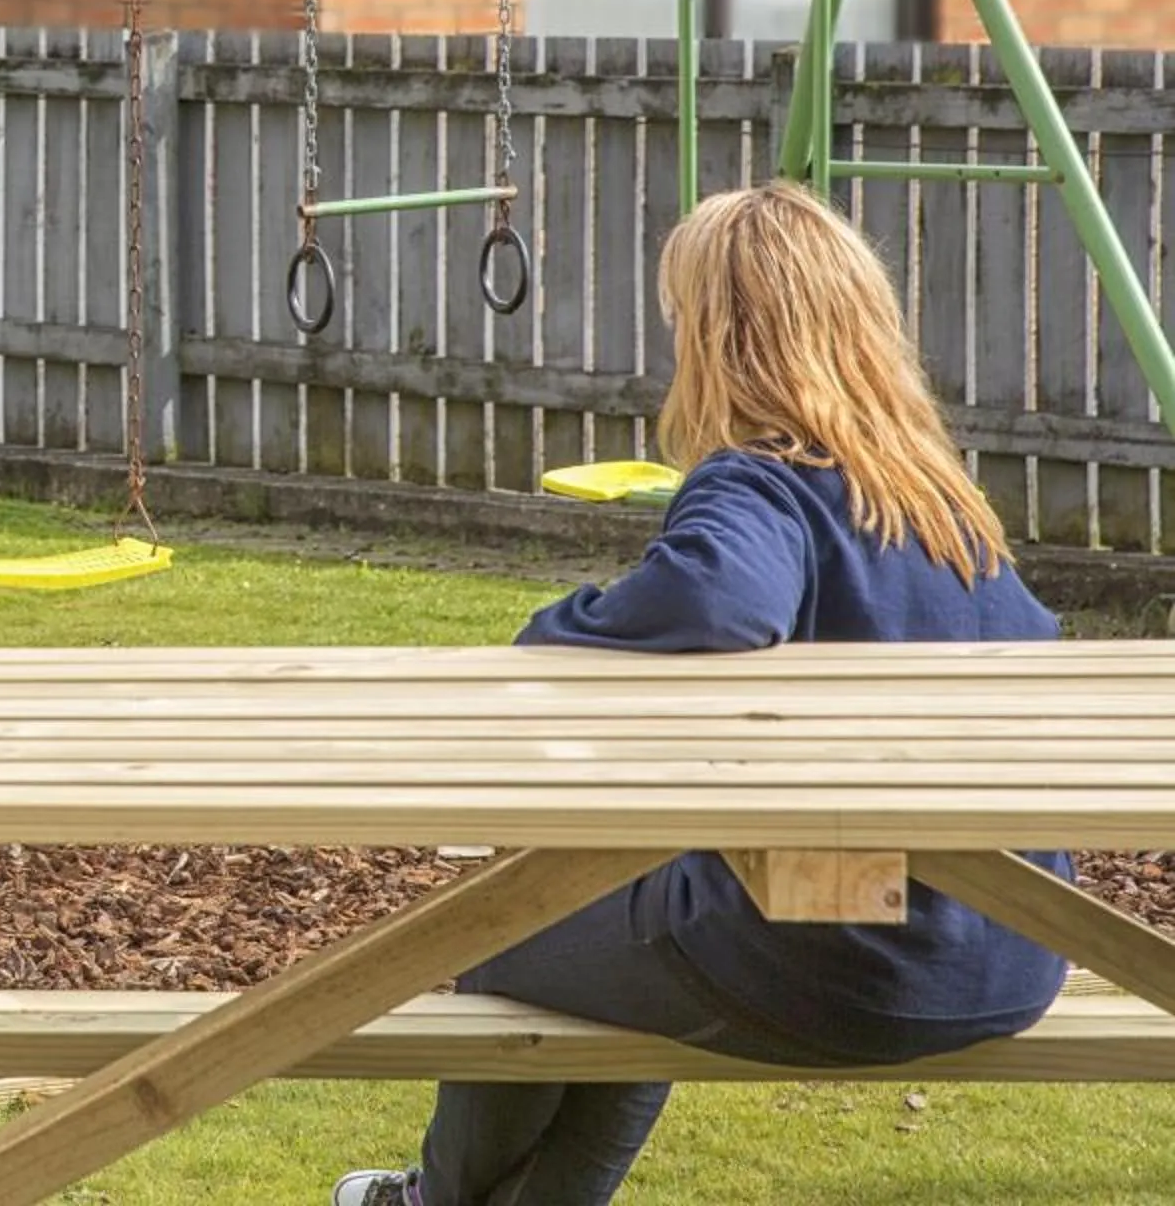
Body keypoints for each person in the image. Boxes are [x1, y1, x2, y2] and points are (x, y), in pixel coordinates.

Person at [333, 180, 1073, 1206]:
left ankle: (431, 1200)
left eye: (681, 318)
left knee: (510, 924)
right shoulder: (947, 507)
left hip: (859, 960)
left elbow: (718, 599)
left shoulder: (762, 479)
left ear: (724, 337)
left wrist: (558, 632)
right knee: (667, 903)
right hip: (1013, 945)